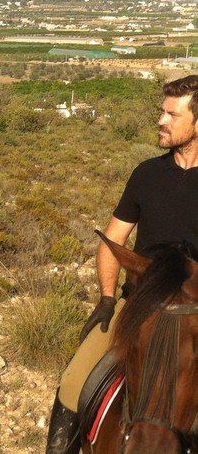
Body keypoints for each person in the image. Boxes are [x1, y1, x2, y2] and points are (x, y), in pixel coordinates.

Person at [45, 74, 198, 454]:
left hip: (196, 309)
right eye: (162, 113)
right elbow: (113, 240)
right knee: (74, 381)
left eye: (171, 115)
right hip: (142, 305)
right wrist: (108, 298)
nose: (161, 121)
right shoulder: (146, 174)